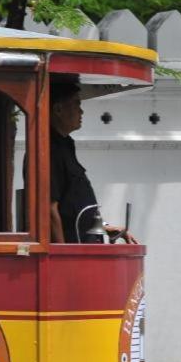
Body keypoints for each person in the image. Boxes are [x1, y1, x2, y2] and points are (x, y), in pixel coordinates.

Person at [49, 80, 135, 243]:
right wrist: (61, 255)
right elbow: (49, 209)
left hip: (84, 242)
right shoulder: (49, 150)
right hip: (71, 247)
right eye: (76, 104)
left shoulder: (66, 144)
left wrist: (103, 226)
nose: (81, 112)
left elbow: (74, 203)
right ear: (58, 109)